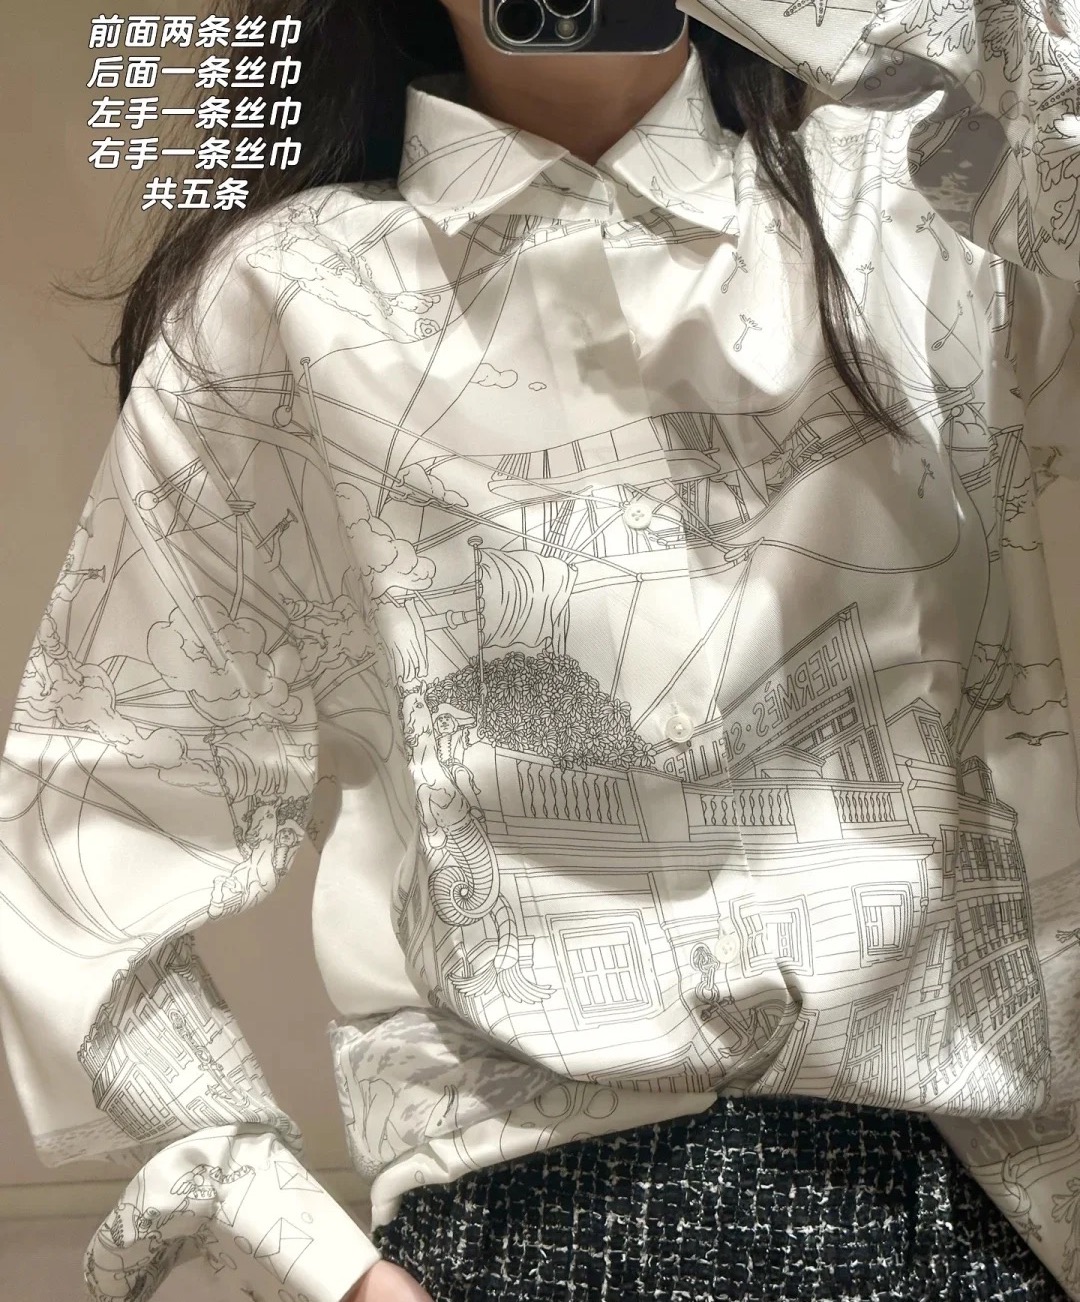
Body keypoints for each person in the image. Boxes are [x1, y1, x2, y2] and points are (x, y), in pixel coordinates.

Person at [2, 0, 1080, 1299]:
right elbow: (88, 826)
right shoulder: (288, 296)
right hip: (523, 1222)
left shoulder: (925, 203)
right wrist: (317, 1259)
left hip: (957, 1203)